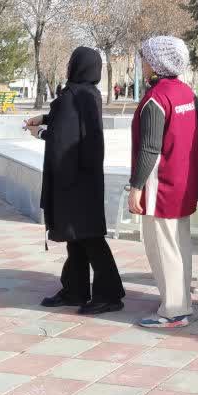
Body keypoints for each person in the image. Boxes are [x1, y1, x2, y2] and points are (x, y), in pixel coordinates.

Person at [27, 47, 125, 315]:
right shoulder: (90, 94)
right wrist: (46, 118)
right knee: (78, 237)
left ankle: (109, 294)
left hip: (71, 180)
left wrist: (41, 132)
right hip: (86, 178)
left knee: (89, 238)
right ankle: (75, 289)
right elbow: (72, 122)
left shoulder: (71, 96)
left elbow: (63, 139)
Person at [130, 36, 198, 328]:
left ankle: (174, 312)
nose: (142, 63)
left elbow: (150, 148)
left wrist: (136, 187)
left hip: (161, 184)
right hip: (183, 179)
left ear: (156, 62)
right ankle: (180, 301)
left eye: (145, 58)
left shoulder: (156, 98)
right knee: (179, 244)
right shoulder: (183, 91)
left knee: (163, 248)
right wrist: (180, 132)